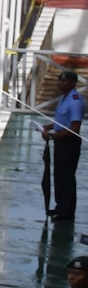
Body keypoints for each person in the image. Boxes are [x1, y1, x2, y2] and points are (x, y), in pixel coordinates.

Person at [43, 69, 82, 220]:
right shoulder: (64, 98)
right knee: (59, 176)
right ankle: (60, 207)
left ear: (72, 83)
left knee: (66, 178)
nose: (60, 83)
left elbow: (74, 130)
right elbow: (61, 123)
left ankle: (67, 213)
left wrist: (52, 136)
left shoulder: (75, 101)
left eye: (64, 81)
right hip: (60, 141)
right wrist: (48, 127)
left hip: (68, 143)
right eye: (60, 80)